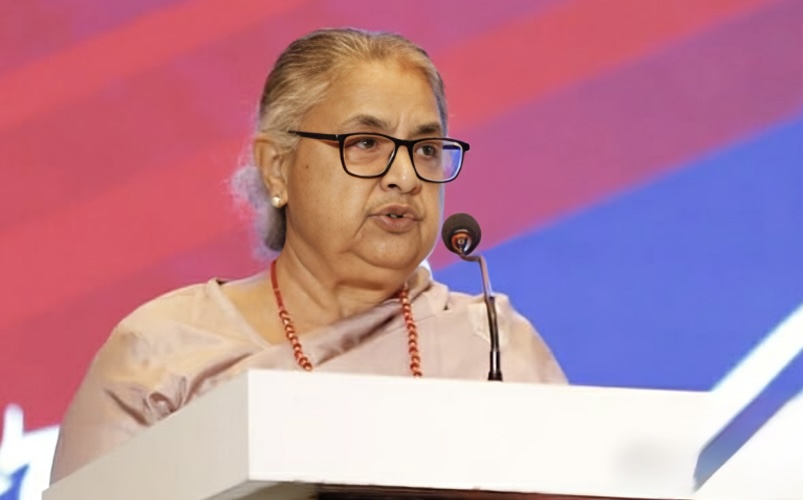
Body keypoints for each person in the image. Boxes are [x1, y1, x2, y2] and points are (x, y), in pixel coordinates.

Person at [49, 27, 566, 483]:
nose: (405, 177)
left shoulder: (493, 347)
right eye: (366, 143)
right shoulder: (163, 353)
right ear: (277, 168)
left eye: (426, 149)